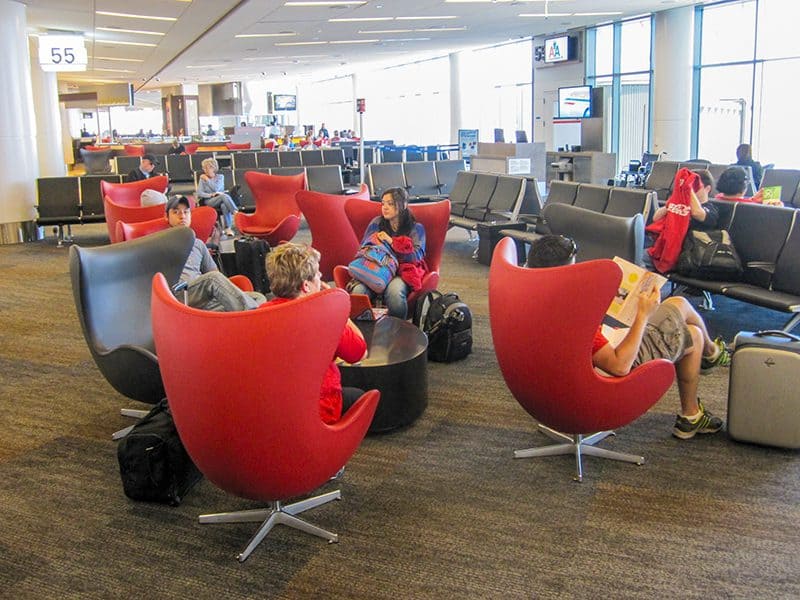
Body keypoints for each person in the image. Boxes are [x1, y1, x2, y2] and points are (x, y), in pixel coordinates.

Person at [526, 234, 730, 440]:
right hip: (598, 378)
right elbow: (620, 365)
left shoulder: (533, 295)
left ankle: (692, 413)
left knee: (689, 329)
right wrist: (643, 314)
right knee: (686, 318)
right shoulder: (572, 319)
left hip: (553, 384)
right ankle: (711, 356)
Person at [265, 242, 367, 424]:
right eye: (317, 274)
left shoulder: (261, 312)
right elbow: (360, 353)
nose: (321, 277)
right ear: (306, 285)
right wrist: (338, 306)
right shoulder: (326, 317)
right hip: (318, 411)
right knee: (361, 397)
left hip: (275, 408)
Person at [166, 196, 265, 311]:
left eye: (186, 212)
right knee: (212, 279)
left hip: (203, 296)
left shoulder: (198, 244)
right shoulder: (160, 244)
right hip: (180, 294)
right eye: (176, 212)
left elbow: (214, 272)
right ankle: (252, 316)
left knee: (257, 297)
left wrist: (229, 294)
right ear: (166, 217)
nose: (182, 216)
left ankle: (218, 317)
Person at [348, 187, 426, 320]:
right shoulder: (376, 223)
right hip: (376, 268)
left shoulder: (415, 228)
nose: (385, 208)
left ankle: (397, 332)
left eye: (390, 204)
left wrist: (391, 242)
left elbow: (417, 256)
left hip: (401, 272)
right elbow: (364, 249)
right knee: (358, 292)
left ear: (404, 205)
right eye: (383, 203)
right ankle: (364, 334)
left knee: (394, 293)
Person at [652, 168, 719, 232]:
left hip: (692, 241)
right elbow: (656, 218)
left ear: (707, 189)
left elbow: (696, 213)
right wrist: (678, 193)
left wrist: (688, 187)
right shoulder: (679, 203)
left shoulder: (711, 209)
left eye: (696, 186)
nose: (693, 189)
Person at [197, 157, 239, 237]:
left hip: (222, 199)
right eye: (204, 167)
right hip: (209, 201)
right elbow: (199, 193)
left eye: (207, 167)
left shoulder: (220, 177)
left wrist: (208, 180)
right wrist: (210, 195)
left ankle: (228, 228)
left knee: (224, 205)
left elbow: (216, 188)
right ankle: (236, 213)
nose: (205, 169)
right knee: (223, 196)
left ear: (213, 168)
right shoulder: (202, 179)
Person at [715, 166, 782, 206]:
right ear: (744, 185)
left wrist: (752, 199)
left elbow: (736, 200)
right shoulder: (754, 207)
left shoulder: (717, 198)